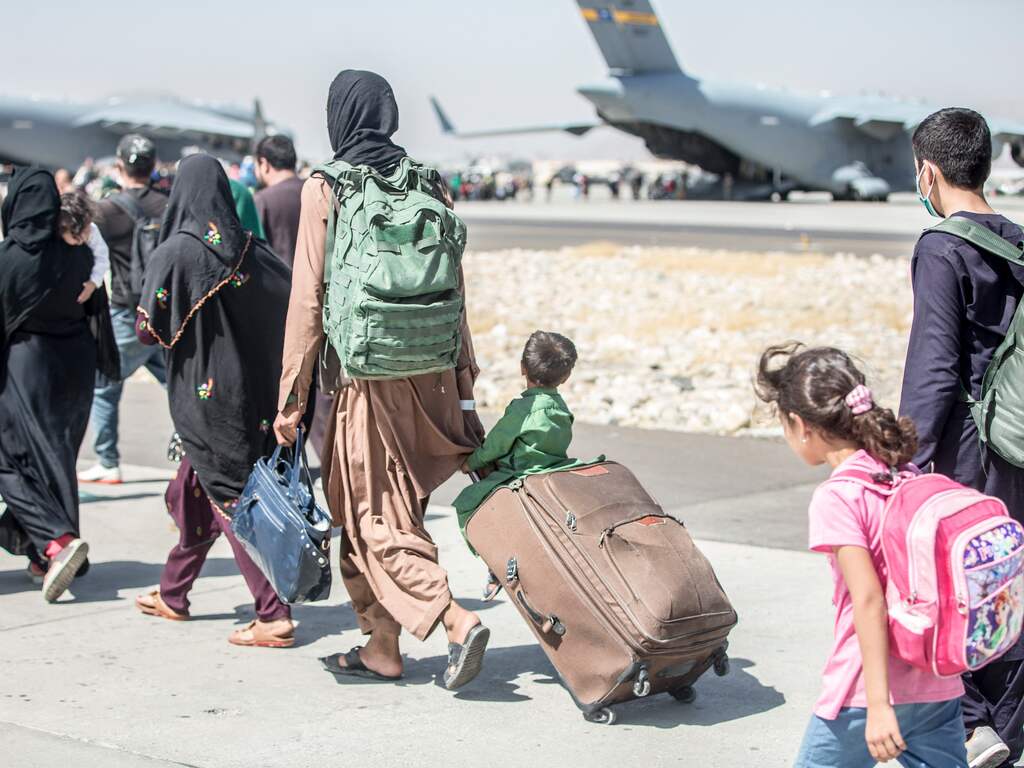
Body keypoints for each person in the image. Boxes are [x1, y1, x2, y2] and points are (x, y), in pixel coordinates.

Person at [274, 69, 489, 688]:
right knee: (389, 511)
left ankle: (452, 618)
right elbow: (457, 294)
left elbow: (307, 303)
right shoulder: (428, 182)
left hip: (369, 381)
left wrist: (290, 398)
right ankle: (380, 646)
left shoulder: (329, 187)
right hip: (435, 378)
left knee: (373, 516)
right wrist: (466, 387)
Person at [755, 343, 967, 768]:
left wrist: (878, 705)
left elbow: (868, 600)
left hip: (865, 692)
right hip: (937, 682)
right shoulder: (903, 474)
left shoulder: (839, 496)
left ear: (800, 424)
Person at [899, 107, 1024, 768]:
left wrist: (909, 461)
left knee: (961, 581)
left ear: (929, 170)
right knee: (1010, 575)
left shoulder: (942, 246)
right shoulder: (1020, 241)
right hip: (1020, 443)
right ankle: (1008, 721)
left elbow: (935, 365)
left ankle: (975, 727)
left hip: (969, 451)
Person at [132, 154, 294, 648]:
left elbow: (146, 330)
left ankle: (272, 613)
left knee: (227, 496)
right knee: (194, 490)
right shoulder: (252, 249)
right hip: (254, 395)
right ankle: (172, 592)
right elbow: (288, 300)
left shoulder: (176, 252)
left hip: (205, 401)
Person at [0, 169, 100, 602]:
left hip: (28, 367)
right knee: (55, 460)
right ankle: (43, 553)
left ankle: (56, 542)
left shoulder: (12, 258)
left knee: (11, 460)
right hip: (76, 367)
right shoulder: (77, 254)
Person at [453, 331, 585, 600]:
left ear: (522, 368)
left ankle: (494, 561)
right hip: (552, 470)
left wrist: (471, 463)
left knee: (467, 504)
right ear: (566, 376)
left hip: (518, 474)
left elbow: (497, 444)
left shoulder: (522, 409)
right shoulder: (560, 406)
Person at [79, 134, 169, 485]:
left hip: (126, 311)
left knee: (105, 385)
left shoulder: (107, 210)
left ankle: (107, 459)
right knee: (178, 385)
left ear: (119, 166)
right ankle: (195, 454)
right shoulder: (169, 206)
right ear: (152, 166)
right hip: (164, 310)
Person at [254, 135, 304, 267]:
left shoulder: (263, 200)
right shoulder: (316, 191)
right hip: (319, 283)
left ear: (264, 164)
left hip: (280, 282)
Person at [58, 192, 109, 305]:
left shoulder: (92, 231)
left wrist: (93, 282)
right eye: (76, 236)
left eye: (85, 231)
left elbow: (102, 257)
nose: (82, 239)